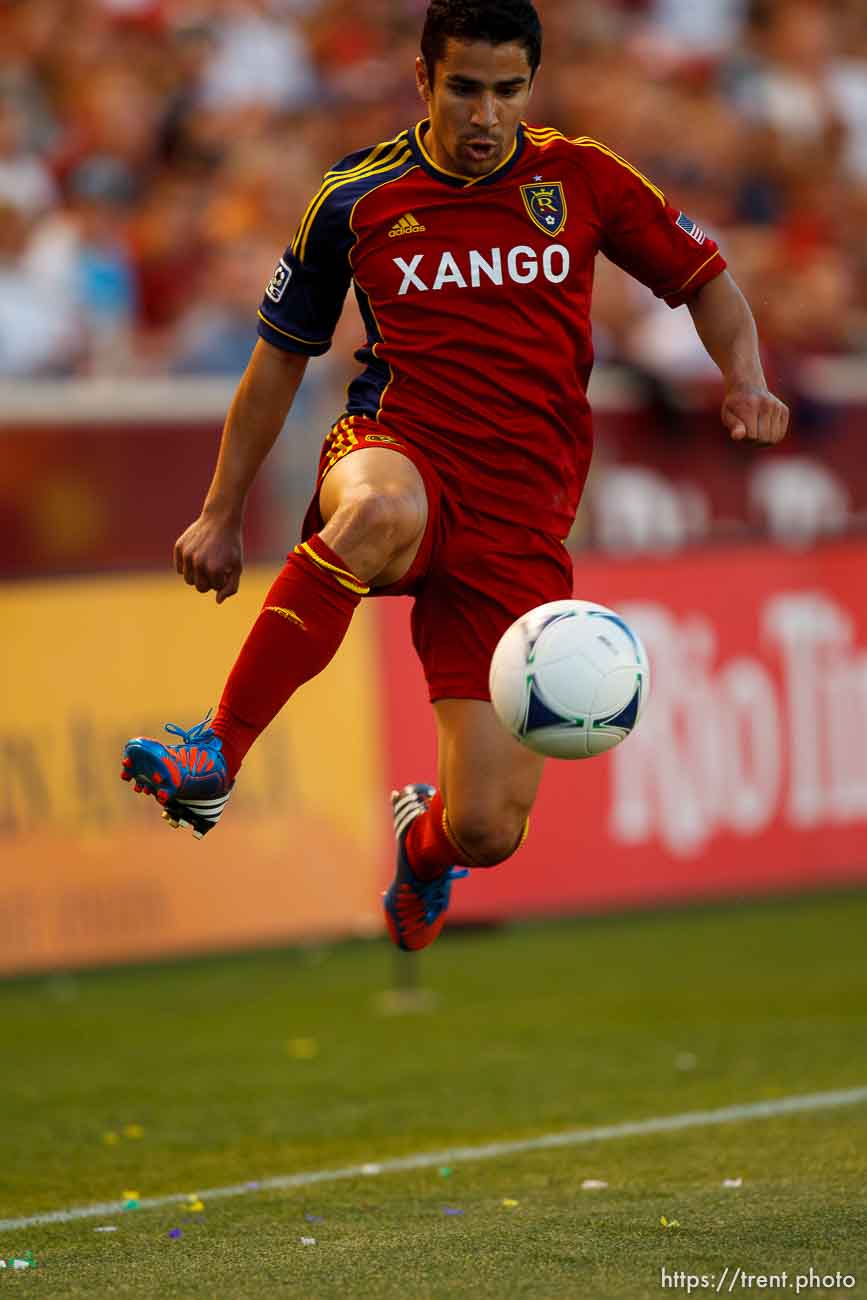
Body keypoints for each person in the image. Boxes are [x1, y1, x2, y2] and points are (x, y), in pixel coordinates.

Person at [121, 0, 789, 952]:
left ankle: (425, 849)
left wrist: (745, 381)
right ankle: (216, 749)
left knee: (490, 829)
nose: (485, 114)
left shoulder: (582, 176)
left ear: (530, 87)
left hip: (522, 521)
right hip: (399, 447)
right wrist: (220, 513)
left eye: (507, 91)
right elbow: (279, 357)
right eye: (465, 88)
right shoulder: (355, 197)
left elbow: (705, 279)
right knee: (377, 514)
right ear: (424, 79)